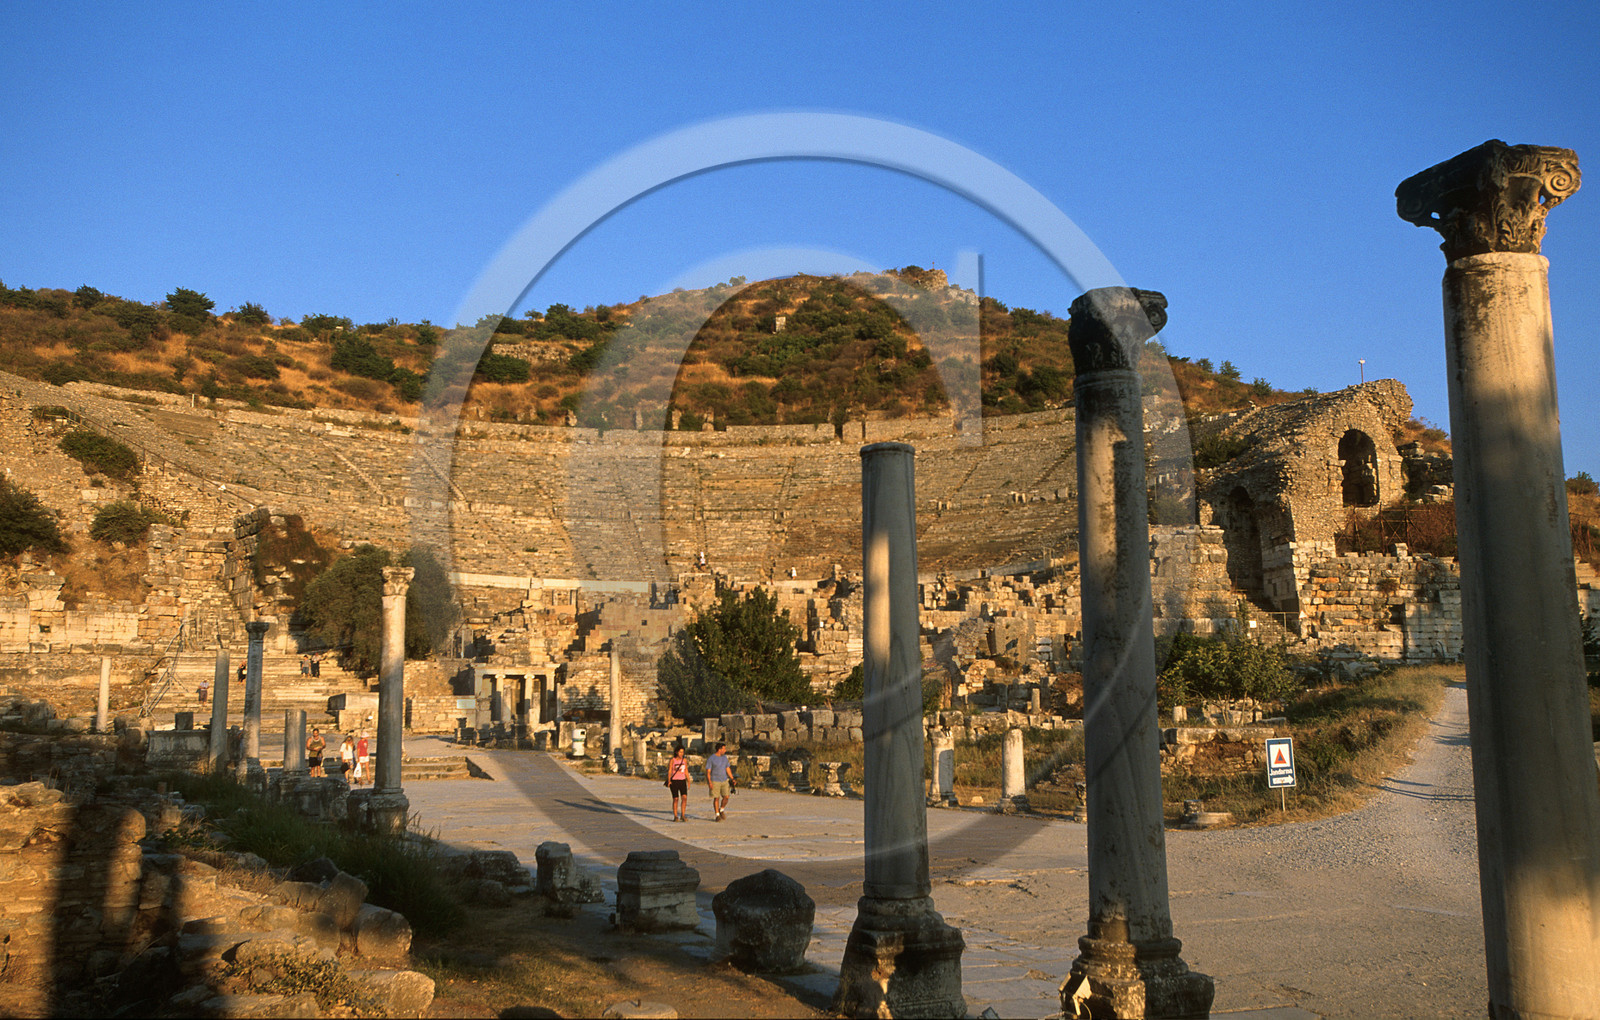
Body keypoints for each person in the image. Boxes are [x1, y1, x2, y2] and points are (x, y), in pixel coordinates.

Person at [707, 741, 736, 822]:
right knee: (716, 798)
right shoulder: (711, 758)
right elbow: (708, 771)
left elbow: (727, 768)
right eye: (724, 748)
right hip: (715, 780)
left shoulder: (725, 758)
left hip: (724, 780)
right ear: (719, 749)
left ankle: (721, 809)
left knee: (726, 797)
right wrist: (709, 782)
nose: (725, 750)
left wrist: (732, 778)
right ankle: (717, 815)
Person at [667, 745, 691, 822]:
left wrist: (688, 780)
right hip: (674, 781)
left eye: (683, 752)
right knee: (675, 799)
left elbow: (686, 770)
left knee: (684, 798)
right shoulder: (672, 760)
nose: (681, 753)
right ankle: (675, 816)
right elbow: (670, 771)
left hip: (682, 780)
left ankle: (683, 815)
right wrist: (669, 780)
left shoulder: (684, 760)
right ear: (677, 752)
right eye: (680, 752)